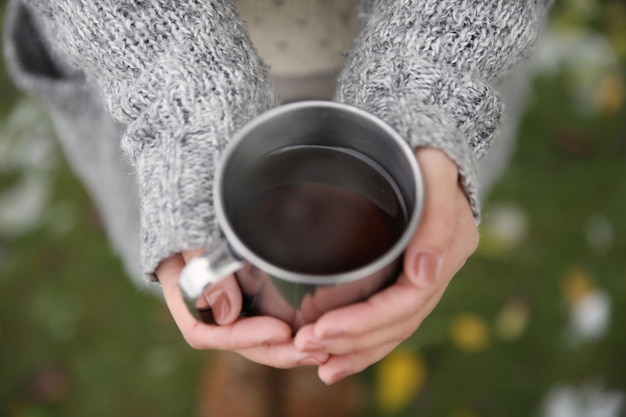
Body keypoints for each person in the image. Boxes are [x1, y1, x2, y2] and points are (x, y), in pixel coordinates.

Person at [3, 0, 552, 388]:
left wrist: (436, 75)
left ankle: (325, 357)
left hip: (387, 39)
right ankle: (250, 346)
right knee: (193, 246)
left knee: (395, 260)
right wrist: (184, 109)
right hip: (147, 63)